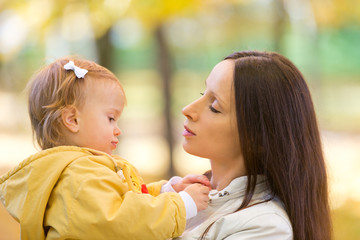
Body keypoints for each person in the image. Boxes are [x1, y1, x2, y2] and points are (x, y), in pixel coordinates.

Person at [0, 57, 211, 240]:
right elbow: (123, 223)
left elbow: (125, 199)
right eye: (110, 118)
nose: (117, 130)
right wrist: (182, 205)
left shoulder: (82, 170)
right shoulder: (79, 177)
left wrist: (167, 191)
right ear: (72, 120)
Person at [177, 50, 332, 240]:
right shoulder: (183, 195)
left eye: (215, 106)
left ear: (258, 138)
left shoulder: (265, 227)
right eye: (203, 93)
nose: (188, 110)